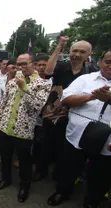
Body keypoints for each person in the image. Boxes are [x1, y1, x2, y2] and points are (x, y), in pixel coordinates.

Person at [46, 49, 111, 208]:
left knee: (100, 173)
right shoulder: (85, 79)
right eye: (108, 62)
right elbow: (65, 98)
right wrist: (92, 96)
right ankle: (62, 191)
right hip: (76, 135)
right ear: (101, 62)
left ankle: (92, 201)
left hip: (107, 141)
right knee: (69, 167)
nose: (110, 66)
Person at [36, 37, 98, 182]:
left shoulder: (91, 73)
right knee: (45, 143)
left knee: (63, 148)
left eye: (82, 52)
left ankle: (59, 174)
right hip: (51, 113)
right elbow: (48, 71)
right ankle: (41, 170)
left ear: (89, 54)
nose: (76, 54)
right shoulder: (61, 66)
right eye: (74, 50)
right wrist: (59, 47)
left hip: (73, 116)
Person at [0, 53, 52, 203]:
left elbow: (37, 106)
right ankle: (5, 179)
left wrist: (24, 87)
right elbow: (4, 103)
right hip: (5, 127)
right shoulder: (12, 82)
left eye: (24, 64)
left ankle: (24, 187)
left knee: (25, 162)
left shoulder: (43, 84)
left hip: (23, 131)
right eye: (18, 64)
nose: (20, 67)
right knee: (5, 157)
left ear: (34, 64)